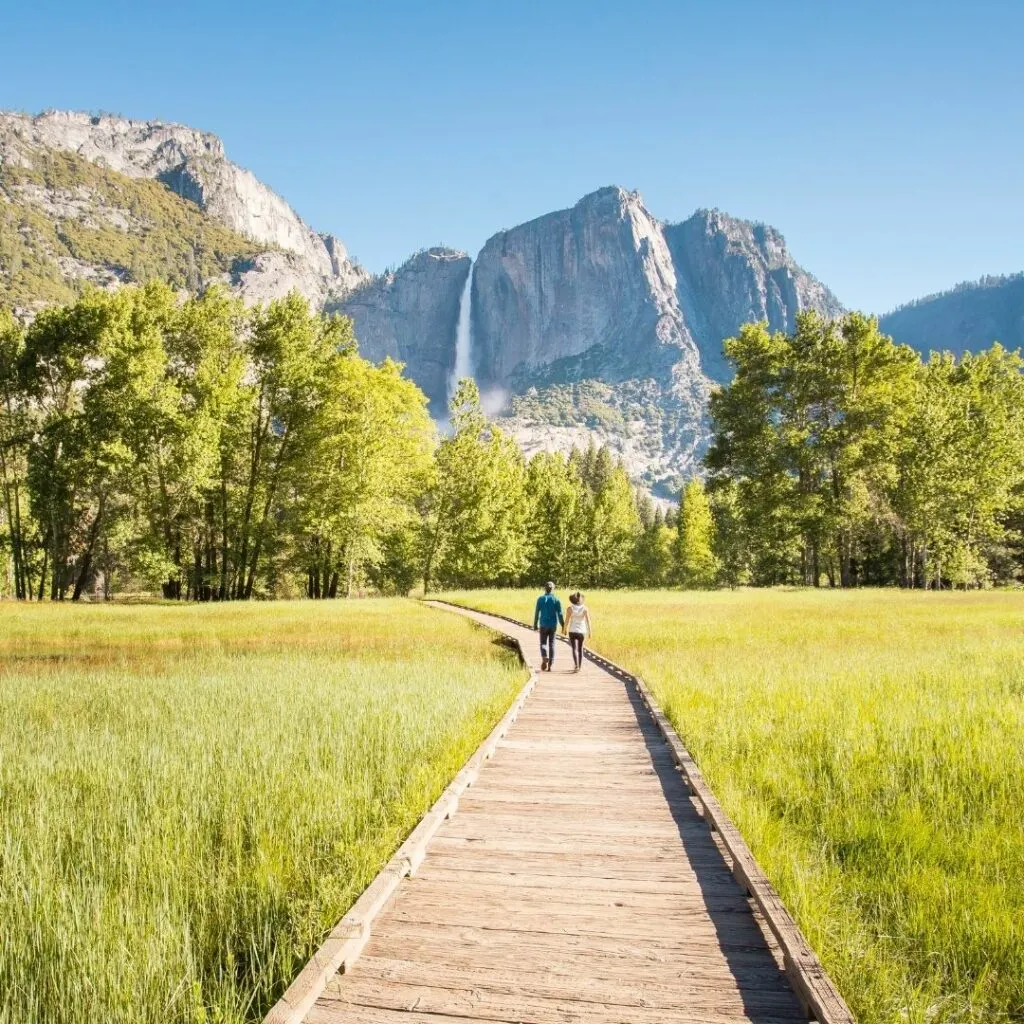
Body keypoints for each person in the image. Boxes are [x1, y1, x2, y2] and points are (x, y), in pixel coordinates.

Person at [532, 581, 564, 671]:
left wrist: (535, 624)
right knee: (552, 644)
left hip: (543, 624)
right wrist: (563, 625)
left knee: (543, 643)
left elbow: (537, 613)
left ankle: (544, 656)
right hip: (553, 625)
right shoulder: (556, 600)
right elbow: (560, 614)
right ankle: (550, 664)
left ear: (544, 588)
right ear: (553, 589)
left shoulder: (540, 599)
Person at [563, 591, 592, 672]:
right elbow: (588, 621)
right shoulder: (585, 609)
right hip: (582, 631)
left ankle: (576, 666)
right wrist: (590, 632)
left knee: (574, 649)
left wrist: (564, 629)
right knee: (580, 649)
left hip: (572, 630)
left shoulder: (570, 609)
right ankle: (579, 666)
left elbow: (567, 621)